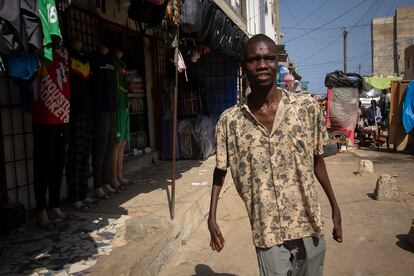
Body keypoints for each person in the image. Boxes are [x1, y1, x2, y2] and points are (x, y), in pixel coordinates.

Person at [208, 34, 342, 276]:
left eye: (268, 58)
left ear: (277, 63)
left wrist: (335, 206)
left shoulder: (305, 108)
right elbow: (220, 170)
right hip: (266, 229)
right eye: (254, 59)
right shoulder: (229, 121)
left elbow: (317, 160)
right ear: (243, 65)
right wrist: (212, 218)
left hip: (307, 222)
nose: (262, 65)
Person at [66, 38, 95, 210]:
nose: (80, 41)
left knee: (85, 155)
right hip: (75, 111)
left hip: (88, 109)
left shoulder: (86, 60)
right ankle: (74, 195)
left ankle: (84, 193)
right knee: (75, 156)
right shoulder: (68, 57)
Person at [110, 49, 131, 190]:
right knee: (116, 143)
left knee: (123, 142)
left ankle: (120, 174)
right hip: (117, 106)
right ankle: (113, 177)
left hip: (124, 105)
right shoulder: (112, 63)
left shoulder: (122, 63)